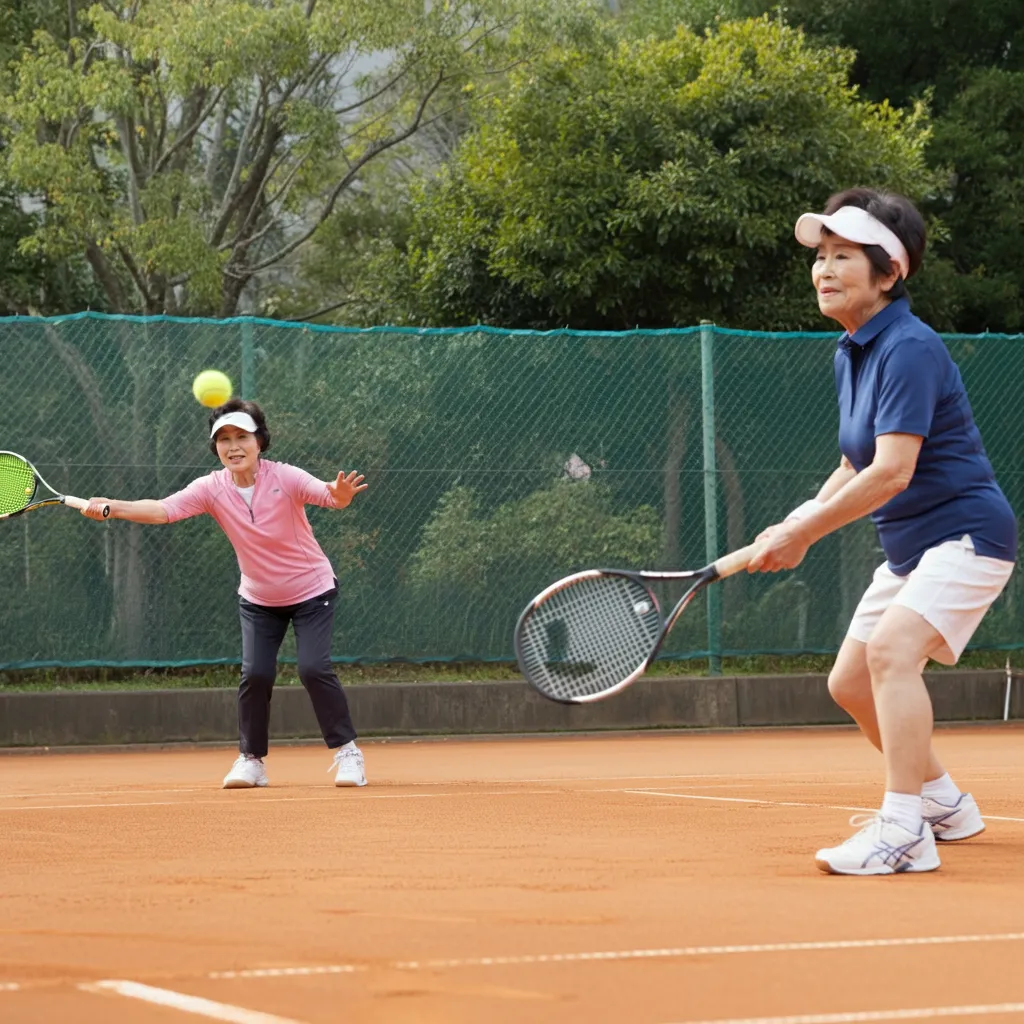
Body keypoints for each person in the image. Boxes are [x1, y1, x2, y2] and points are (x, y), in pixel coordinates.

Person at [749, 187, 1017, 876]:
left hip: (965, 536)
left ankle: (903, 830)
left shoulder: (908, 348)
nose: (825, 270)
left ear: (889, 274)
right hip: (911, 549)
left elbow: (894, 472)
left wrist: (804, 536)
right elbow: (854, 462)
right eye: (822, 256)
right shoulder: (852, 352)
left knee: (893, 654)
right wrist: (796, 519)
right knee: (850, 683)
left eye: (845, 257)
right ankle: (945, 804)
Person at [81, 398, 370, 791]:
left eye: (242, 437)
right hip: (258, 599)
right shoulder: (211, 488)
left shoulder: (285, 478)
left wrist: (341, 494)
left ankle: (348, 753)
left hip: (311, 591)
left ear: (260, 442)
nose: (233, 446)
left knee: (313, 669)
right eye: (224, 439)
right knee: (256, 674)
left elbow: (329, 496)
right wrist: (113, 507)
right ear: (215, 448)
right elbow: (163, 510)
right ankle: (251, 761)